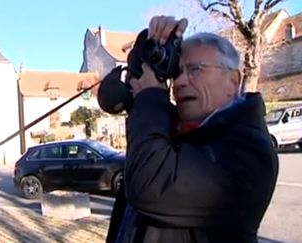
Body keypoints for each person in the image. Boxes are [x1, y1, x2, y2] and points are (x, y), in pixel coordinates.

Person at [106, 16, 279, 243]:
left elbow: (151, 184)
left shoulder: (250, 152)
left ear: (233, 81)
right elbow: (138, 92)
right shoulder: (173, 130)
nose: (179, 82)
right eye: (176, 72)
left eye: (195, 69)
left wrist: (151, 97)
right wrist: (149, 43)